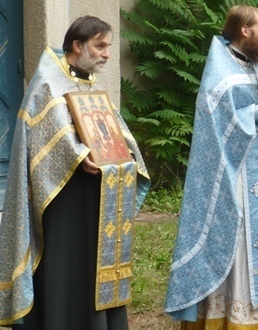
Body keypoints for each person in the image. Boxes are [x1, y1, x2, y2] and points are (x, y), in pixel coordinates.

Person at [0, 16, 151, 329]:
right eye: (100, 46)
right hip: (61, 196)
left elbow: (111, 130)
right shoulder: (48, 81)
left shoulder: (88, 81)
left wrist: (126, 156)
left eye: (108, 46)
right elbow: (45, 135)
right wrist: (79, 155)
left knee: (94, 261)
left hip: (98, 191)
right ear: (77, 45)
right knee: (69, 262)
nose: (107, 54)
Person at [164, 5, 258, 329]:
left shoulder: (257, 66)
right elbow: (215, 126)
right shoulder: (219, 74)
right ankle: (236, 316)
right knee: (238, 240)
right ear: (244, 31)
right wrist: (257, 111)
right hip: (234, 174)